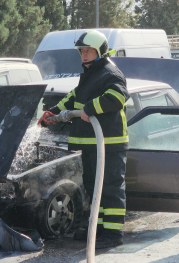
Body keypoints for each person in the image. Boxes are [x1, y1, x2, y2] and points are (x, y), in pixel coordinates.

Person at [38, 30, 129, 249]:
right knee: (92, 186)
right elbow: (74, 97)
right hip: (90, 143)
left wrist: (91, 109)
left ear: (100, 51)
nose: (84, 54)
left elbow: (118, 97)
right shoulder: (89, 73)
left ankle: (113, 233)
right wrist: (53, 112)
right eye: (82, 51)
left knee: (109, 187)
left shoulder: (110, 73)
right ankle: (95, 230)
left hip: (109, 143)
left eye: (88, 50)